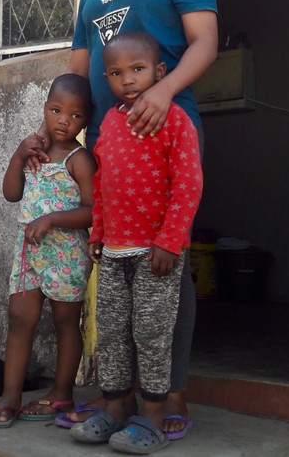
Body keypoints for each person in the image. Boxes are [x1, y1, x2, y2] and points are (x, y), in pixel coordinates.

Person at [52, 0, 218, 438]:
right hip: (111, 147)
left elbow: (204, 41)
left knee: (166, 264)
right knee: (120, 279)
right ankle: (117, 400)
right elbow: (77, 74)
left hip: (166, 136)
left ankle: (170, 396)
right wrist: (56, 137)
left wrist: (165, 91)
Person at [71, 31, 203, 454]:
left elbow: (188, 185)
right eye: (116, 73)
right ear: (106, 78)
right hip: (113, 254)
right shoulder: (108, 122)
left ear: (159, 71)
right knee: (111, 332)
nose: (127, 80)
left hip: (156, 254)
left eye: (138, 69)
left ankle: (152, 417)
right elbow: (104, 184)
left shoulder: (175, 120)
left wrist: (170, 241)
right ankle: (114, 408)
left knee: (151, 335)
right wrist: (98, 233)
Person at [0, 73, 97, 428]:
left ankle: (62, 392)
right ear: (45, 109)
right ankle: (11, 395)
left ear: (86, 120)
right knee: (20, 320)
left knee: (65, 322)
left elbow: (94, 210)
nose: (64, 120)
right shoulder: (35, 150)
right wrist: (18, 156)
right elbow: (12, 194)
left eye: (76, 115)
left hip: (66, 253)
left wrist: (54, 219)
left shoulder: (79, 159)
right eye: (57, 110)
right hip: (28, 252)